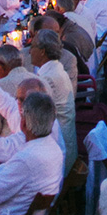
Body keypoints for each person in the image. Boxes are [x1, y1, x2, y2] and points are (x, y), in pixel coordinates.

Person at [29, 28, 77, 173]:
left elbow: (34, 117)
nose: (30, 51)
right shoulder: (55, 69)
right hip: (64, 144)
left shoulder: (48, 77)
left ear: (42, 51)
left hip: (59, 153)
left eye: (32, 47)